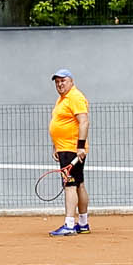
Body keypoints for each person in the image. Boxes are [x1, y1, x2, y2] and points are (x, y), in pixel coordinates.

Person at [48, 68, 91, 235]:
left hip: (72, 149)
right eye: (57, 82)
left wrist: (80, 146)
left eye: (63, 81)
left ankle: (69, 224)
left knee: (70, 185)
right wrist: (56, 145)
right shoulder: (63, 99)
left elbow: (84, 122)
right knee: (78, 184)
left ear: (71, 81)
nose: (59, 84)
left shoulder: (75, 97)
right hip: (65, 148)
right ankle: (83, 223)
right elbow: (60, 123)